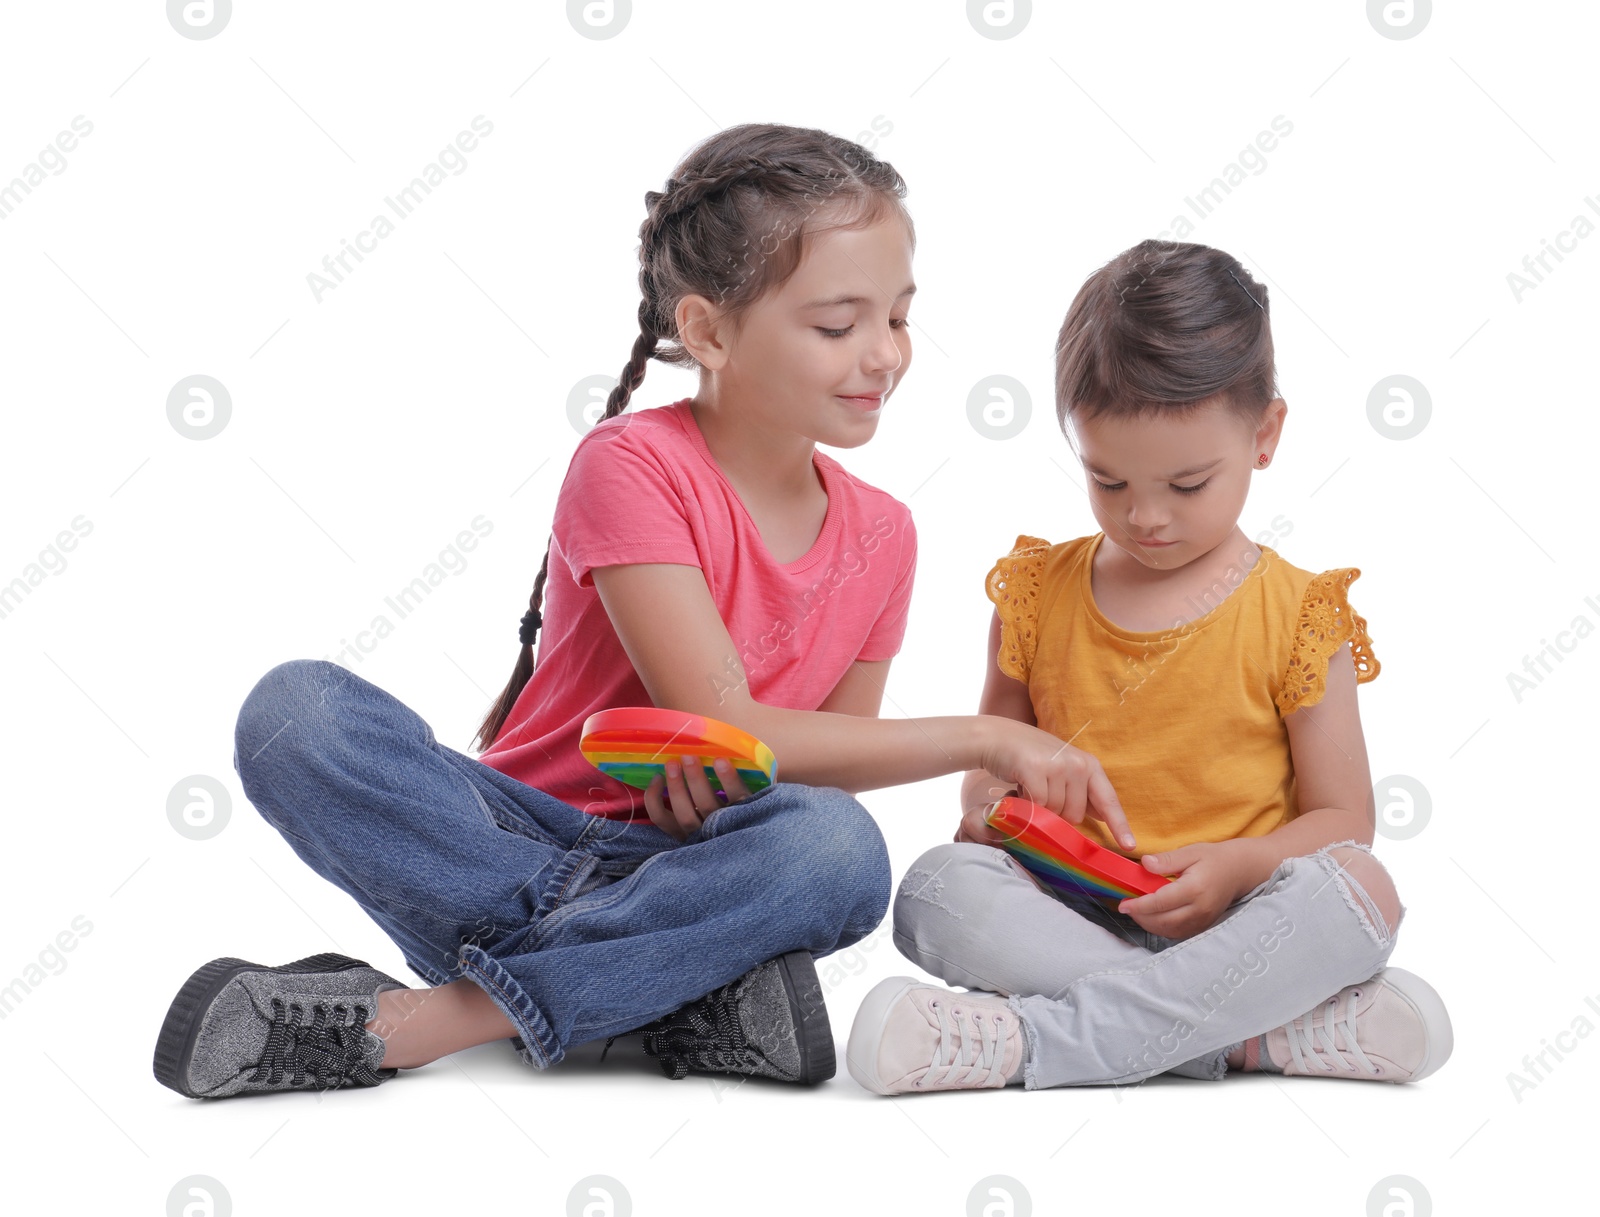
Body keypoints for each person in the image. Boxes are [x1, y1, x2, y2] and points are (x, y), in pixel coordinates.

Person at [152, 122, 1132, 1100]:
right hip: (523, 830)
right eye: (838, 325)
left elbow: (826, 755)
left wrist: (739, 804)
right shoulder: (629, 464)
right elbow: (733, 724)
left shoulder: (886, 534)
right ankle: (668, 987)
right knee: (295, 714)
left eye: (899, 318)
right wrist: (989, 740)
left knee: (835, 845)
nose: (881, 355)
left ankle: (418, 1022)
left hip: (693, 859)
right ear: (707, 331)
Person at [847, 239, 1453, 1094]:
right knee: (936, 888)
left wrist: (1241, 866)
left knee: (1360, 888)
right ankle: (1253, 1039)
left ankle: (1026, 1042)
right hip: (1070, 917)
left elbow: (1343, 819)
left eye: (1188, 483)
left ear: (1266, 434)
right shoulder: (1034, 592)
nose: (1147, 517)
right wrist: (995, 814)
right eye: (1107, 480)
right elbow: (986, 781)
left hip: (1245, 922)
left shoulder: (1299, 613)